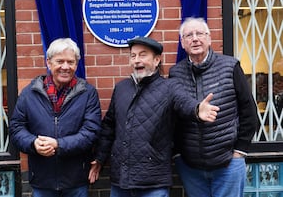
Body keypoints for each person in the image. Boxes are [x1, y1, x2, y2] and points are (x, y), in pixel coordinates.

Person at [88, 36, 220, 197]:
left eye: (143, 55)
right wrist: (100, 157)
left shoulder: (169, 87)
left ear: (157, 60)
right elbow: (109, 126)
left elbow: (183, 102)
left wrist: (197, 109)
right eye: (133, 56)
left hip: (153, 182)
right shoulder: (121, 88)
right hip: (120, 181)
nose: (137, 60)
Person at [169, 17, 258, 197]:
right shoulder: (175, 73)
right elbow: (173, 116)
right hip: (191, 167)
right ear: (182, 43)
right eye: (188, 35)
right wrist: (178, 154)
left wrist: (239, 151)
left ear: (209, 39)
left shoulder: (230, 66)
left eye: (200, 33)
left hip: (228, 164)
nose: (195, 38)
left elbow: (248, 111)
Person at [9, 38, 102, 197]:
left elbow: (91, 133)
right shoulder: (29, 93)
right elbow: (16, 128)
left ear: (76, 64)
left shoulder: (88, 93)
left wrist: (59, 145)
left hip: (76, 181)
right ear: (49, 62)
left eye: (70, 62)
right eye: (60, 61)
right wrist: (33, 143)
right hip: (42, 180)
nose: (65, 67)